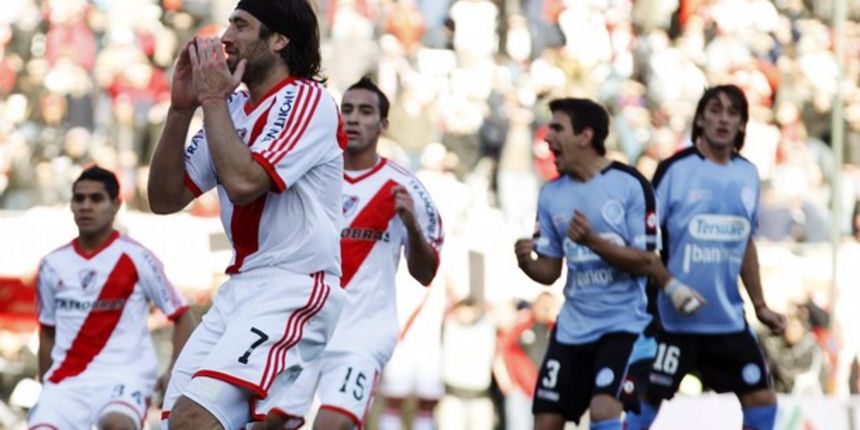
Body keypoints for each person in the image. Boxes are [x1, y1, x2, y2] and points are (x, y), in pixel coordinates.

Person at [147, 0, 347, 428]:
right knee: (173, 424)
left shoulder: (307, 100)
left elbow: (243, 183)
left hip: (294, 286)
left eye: (240, 25)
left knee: (193, 420)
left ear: (278, 39)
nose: (225, 38)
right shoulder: (233, 108)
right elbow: (163, 198)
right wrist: (182, 110)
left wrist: (213, 99)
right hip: (240, 290)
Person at [252, 76, 443, 429]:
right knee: (267, 423)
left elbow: (426, 273)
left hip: (362, 334)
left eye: (366, 111)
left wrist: (412, 226)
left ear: (383, 124)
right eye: (348, 110)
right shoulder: (310, 176)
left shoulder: (407, 188)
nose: (353, 118)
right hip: (303, 326)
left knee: (331, 425)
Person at [513, 98, 704, 430]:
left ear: (585, 136)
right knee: (545, 420)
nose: (547, 138)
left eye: (557, 128)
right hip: (572, 328)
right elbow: (550, 271)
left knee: (604, 411)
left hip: (623, 327)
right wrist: (525, 262)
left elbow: (647, 260)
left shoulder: (629, 184)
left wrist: (594, 242)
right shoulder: (551, 194)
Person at [625, 84, 787, 430]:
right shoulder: (675, 170)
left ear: (743, 125)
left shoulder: (748, 174)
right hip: (672, 321)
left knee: (762, 402)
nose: (723, 119)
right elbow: (644, 243)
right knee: (640, 411)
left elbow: (746, 243)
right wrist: (671, 287)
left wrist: (760, 305)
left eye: (732, 113)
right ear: (700, 118)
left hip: (725, 319)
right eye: (715, 110)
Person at [29, 166, 196, 430]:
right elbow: (47, 331)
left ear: (116, 205)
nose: (86, 206)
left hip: (125, 377)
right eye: (79, 198)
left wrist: (174, 370)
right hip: (68, 383)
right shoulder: (52, 264)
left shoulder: (138, 257)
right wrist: (47, 386)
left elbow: (182, 314)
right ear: (70, 205)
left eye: (96, 199)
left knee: (116, 424)